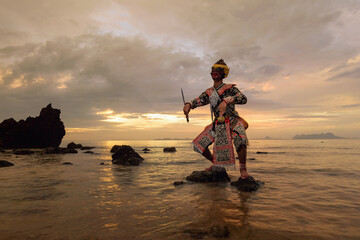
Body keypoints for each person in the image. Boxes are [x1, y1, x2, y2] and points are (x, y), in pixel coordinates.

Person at [183, 59, 250, 179]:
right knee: (199, 144)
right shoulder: (209, 92)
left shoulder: (230, 89)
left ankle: (243, 168)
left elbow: (243, 98)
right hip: (218, 124)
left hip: (232, 120)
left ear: (223, 74)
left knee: (240, 138)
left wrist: (226, 100)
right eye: (212, 71)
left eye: (217, 71)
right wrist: (188, 105)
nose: (214, 73)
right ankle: (216, 163)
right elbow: (198, 101)